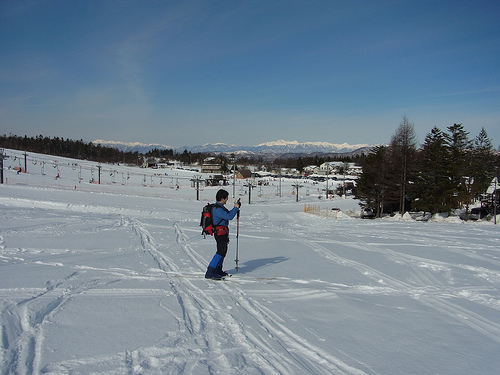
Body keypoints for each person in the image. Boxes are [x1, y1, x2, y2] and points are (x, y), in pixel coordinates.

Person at [205, 189, 241, 279]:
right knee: (220, 252)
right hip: (220, 232)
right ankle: (210, 271)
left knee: (223, 252)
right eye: (226, 198)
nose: (227, 199)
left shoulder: (220, 207)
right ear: (222, 198)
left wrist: (235, 208)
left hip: (223, 232)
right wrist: (236, 208)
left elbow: (228, 214)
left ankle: (218, 270)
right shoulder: (217, 209)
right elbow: (229, 216)